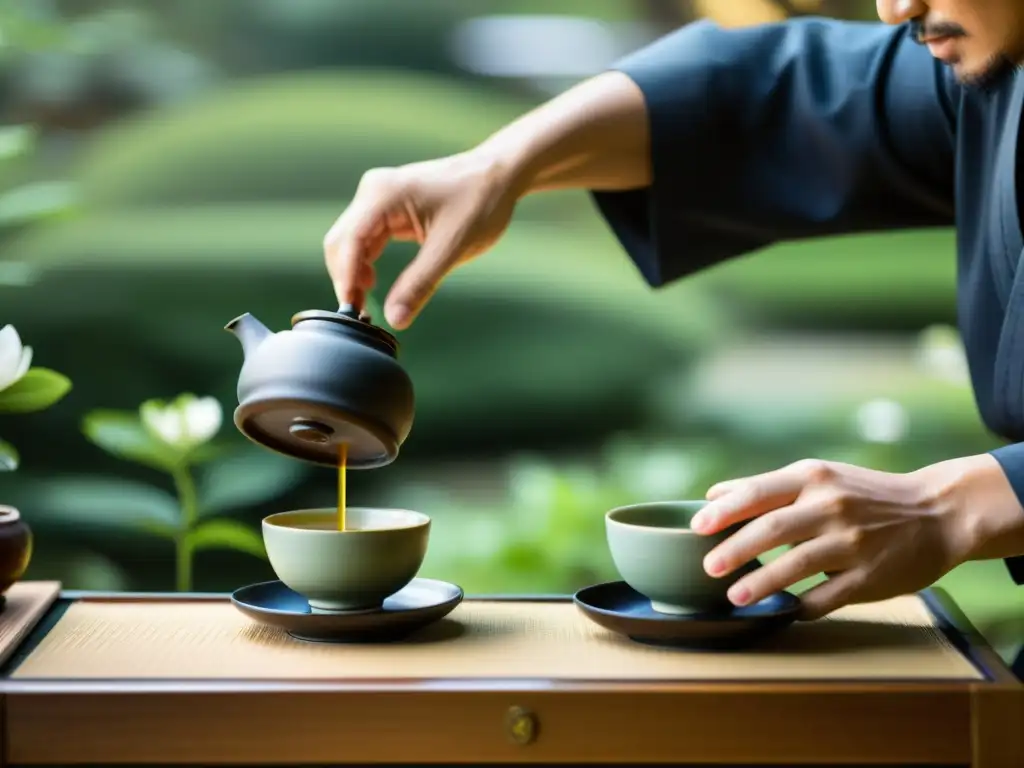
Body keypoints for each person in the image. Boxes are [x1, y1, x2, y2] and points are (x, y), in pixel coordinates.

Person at [322, 0, 1024, 620]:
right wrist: (504, 163)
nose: (894, 8)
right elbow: (781, 99)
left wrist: (953, 504)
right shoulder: (997, 69)